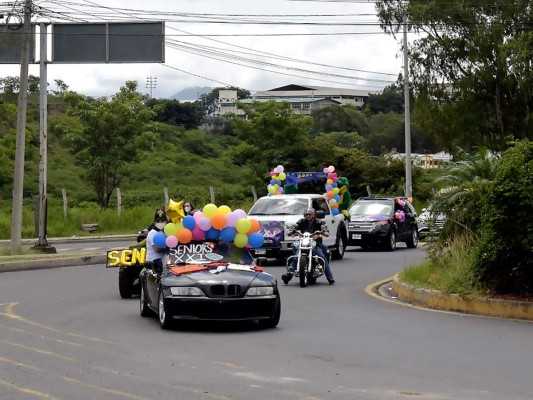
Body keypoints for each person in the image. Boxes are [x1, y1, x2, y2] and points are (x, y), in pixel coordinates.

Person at [281, 207, 335, 285]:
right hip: (304, 242)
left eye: (310, 214)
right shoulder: (302, 221)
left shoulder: (319, 222)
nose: (308, 216)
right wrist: (291, 231)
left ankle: (330, 277)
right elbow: (295, 227)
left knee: (321, 256)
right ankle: (288, 275)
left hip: (315, 243)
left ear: (313, 215)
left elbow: (325, 230)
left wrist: (323, 232)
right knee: (296, 255)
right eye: (306, 214)